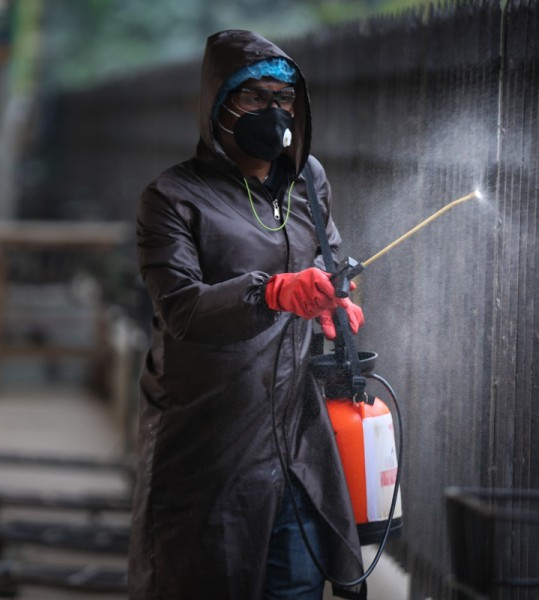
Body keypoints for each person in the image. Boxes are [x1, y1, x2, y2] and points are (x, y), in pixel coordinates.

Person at [128, 29, 367, 600]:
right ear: (218, 105)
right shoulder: (172, 199)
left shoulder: (308, 181)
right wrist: (273, 293)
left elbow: (328, 259)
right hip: (210, 441)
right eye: (255, 99)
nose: (273, 112)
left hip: (295, 443)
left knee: (297, 585)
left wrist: (337, 301)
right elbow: (183, 310)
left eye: (283, 101)